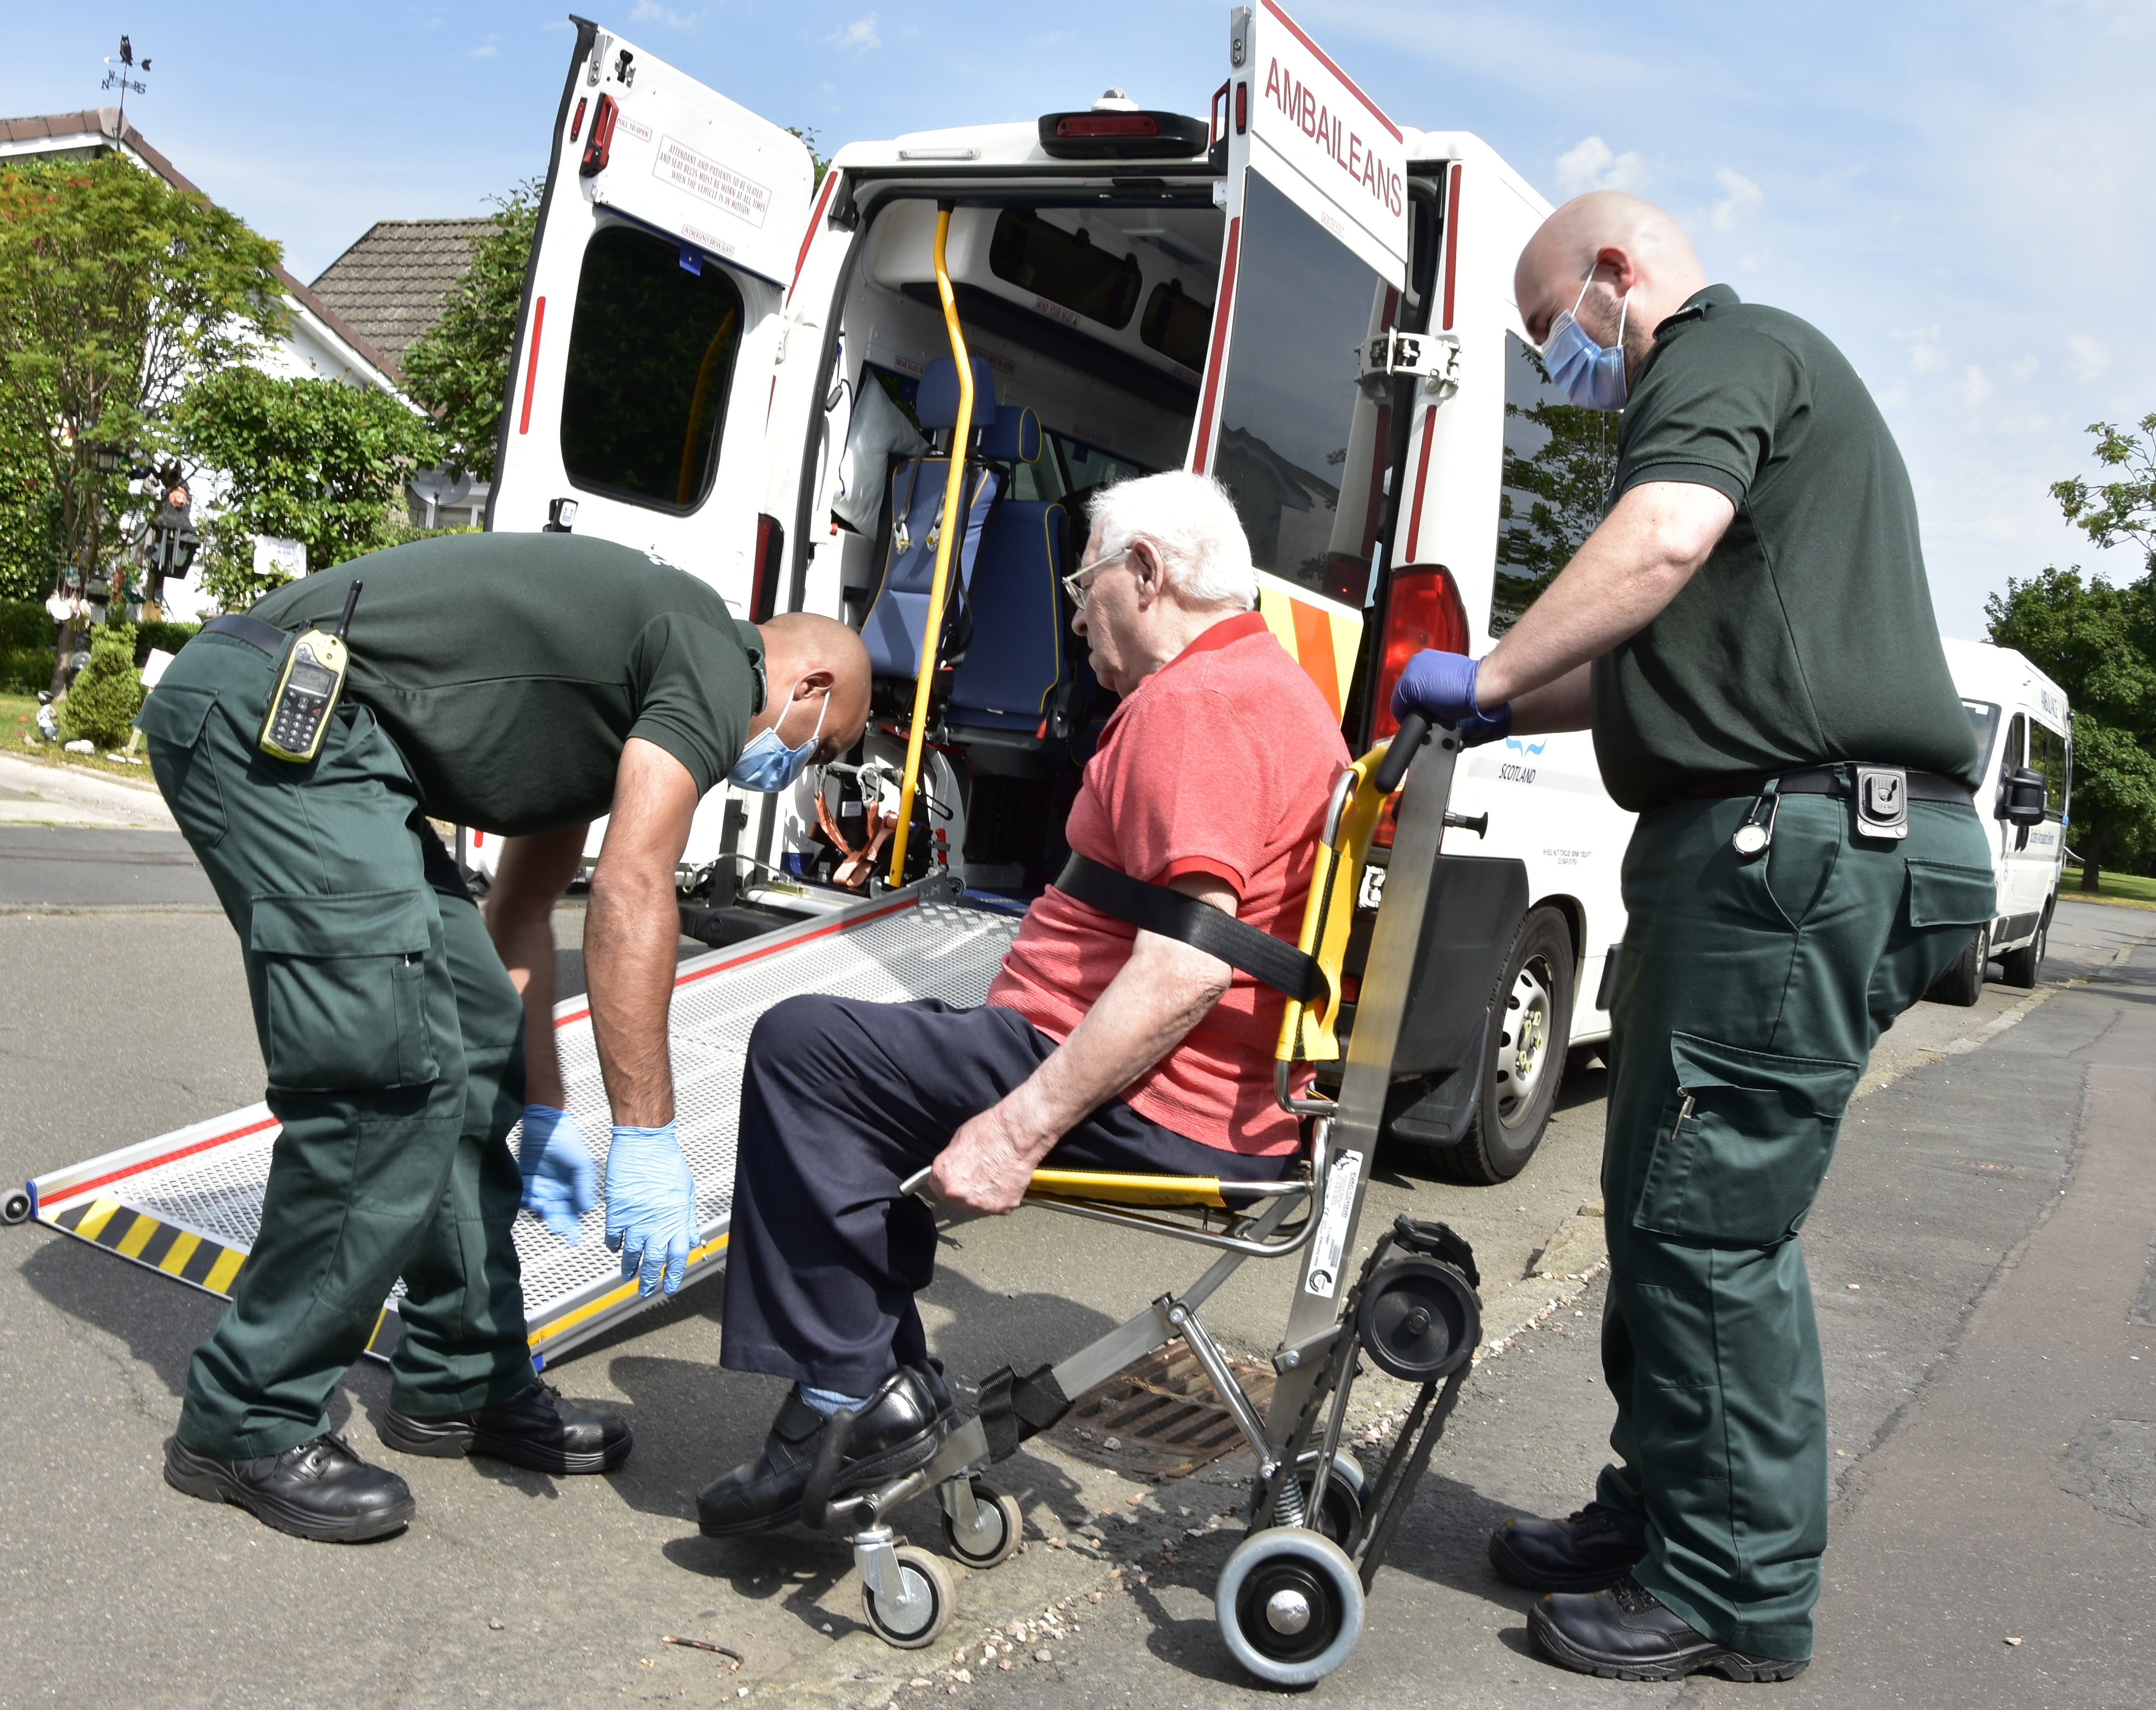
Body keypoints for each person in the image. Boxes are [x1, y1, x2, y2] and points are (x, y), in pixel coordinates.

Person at [1393, 191, 1997, 1682]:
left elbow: (1659, 538)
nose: (1563, 366)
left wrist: (1484, 671)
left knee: (1713, 1222)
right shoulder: (1750, 410)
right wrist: (1477, 709)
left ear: (1615, 274)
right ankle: (1664, 1513)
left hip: (1794, 849)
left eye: (1557, 333)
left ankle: (1732, 1589)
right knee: (1665, 1202)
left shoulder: (1720, 357)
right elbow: (1631, 666)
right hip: (1770, 844)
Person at [139, 531, 868, 1542]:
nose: (798, 768)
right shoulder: (713, 652)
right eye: (822, 746)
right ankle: (246, 1416)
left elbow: (522, 918)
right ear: (811, 683)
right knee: (383, 1073)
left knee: (465, 1030)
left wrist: (540, 1102)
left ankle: (460, 1377)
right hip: (281, 718)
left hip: (342, 753)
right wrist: (646, 1136)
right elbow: (633, 885)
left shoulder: (614, 701)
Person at [694, 469, 1347, 1535]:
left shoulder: (1201, 709)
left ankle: (846, 1401)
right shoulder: (1267, 686)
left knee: (804, 1049)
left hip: (1156, 1100)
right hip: (1192, 1085)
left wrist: (1019, 1124)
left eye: (1084, 579)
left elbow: (1186, 968)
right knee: (861, 1075)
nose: (1077, 606)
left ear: (1146, 573)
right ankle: (871, 1390)